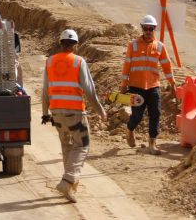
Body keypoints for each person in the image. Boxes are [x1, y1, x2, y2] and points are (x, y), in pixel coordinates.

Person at [42, 28, 108, 203]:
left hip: (56, 112)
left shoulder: (49, 62)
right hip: (74, 113)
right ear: (76, 45)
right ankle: (68, 179)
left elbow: (45, 91)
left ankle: (69, 186)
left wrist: (44, 113)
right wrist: (100, 110)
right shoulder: (79, 61)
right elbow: (89, 90)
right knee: (82, 145)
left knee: (67, 146)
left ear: (60, 43)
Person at [119, 14, 174, 154]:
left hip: (153, 86)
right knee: (137, 115)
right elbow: (127, 66)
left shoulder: (160, 46)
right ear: (142, 28)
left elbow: (167, 65)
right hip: (136, 86)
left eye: (151, 29)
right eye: (146, 28)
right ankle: (130, 129)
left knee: (155, 113)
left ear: (154, 29)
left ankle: (152, 144)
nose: (148, 31)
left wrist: (172, 83)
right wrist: (124, 84)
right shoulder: (133, 45)